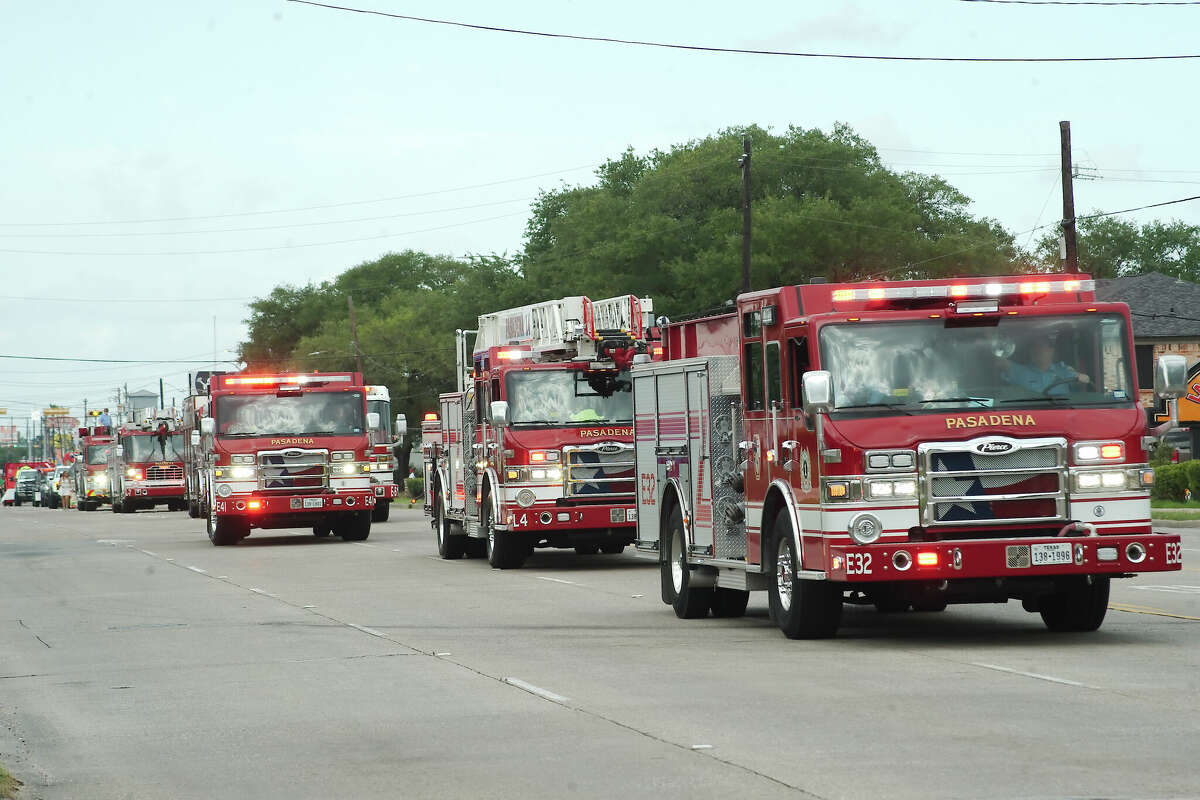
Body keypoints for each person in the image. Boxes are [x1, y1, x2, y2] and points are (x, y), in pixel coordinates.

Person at [1002, 338, 1090, 397]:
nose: (1037, 351)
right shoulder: (1019, 371)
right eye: (1034, 348)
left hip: (1062, 413)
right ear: (1030, 352)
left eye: (1041, 347)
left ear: (1051, 351)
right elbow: (999, 361)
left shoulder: (1064, 371)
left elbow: (1084, 379)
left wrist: (1080, 377)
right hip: (1029, 416)